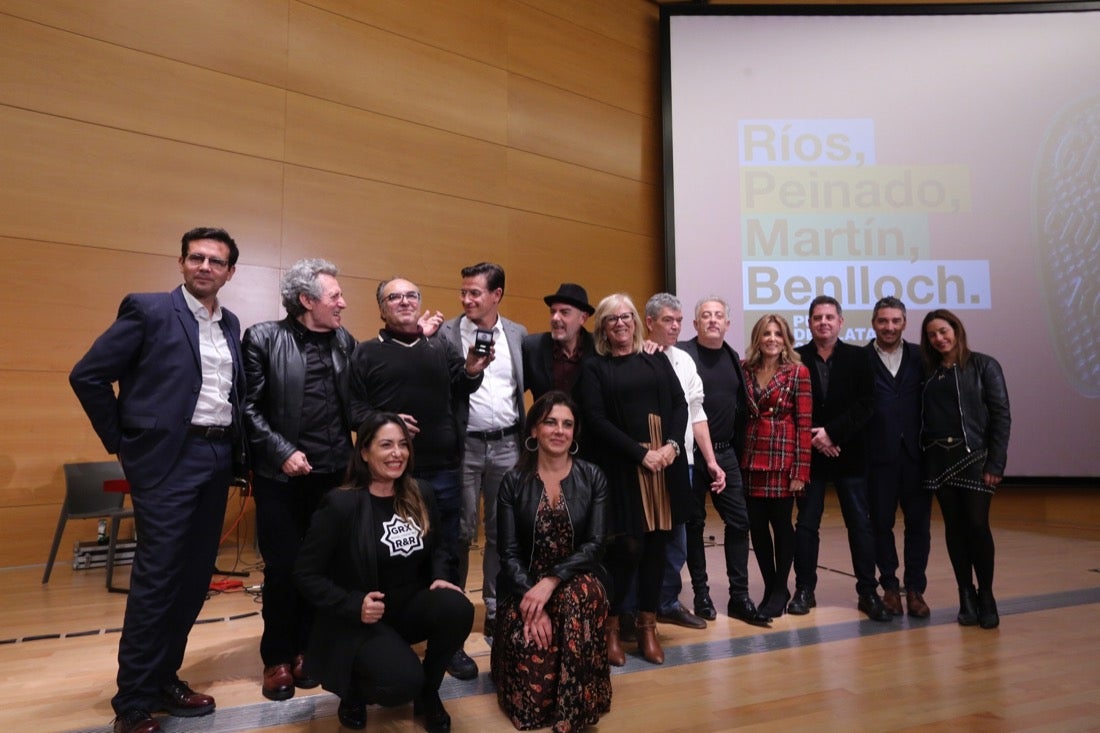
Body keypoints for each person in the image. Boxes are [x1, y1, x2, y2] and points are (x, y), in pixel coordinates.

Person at [69, 227, 248, 733]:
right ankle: (132, 702)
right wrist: (125, 442)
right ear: (181, 263)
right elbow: (87, 375)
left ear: (230, 272)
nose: (205, 267)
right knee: (158, 579)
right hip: (166, 461)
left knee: (194, 580)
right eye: (196, 258)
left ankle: (166, 677)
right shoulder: (148, 310)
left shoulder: (230, 323)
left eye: (216, 261)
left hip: (215, 460)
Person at [294, 413, 473, 732]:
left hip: (407, 607)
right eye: (386, 445)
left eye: (403, 445)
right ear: (364, 451)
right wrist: (352, 604)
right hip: (360, 619)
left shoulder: (420, 492)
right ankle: (353, 690)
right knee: (400, 684)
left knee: (457, 607)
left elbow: (439, 548)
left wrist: (440, 574)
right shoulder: (340, 505)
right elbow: (306, 574)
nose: (397, 453)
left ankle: (429, 693)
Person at [347, 276, 488, 680]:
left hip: (443, 467)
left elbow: (460, 387)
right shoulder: (366, 353)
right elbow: (353, 410)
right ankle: (385, 638)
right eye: (395, 297)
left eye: (411, 295)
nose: (405, 301)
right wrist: (385, 422)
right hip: (389, 475)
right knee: (387, 554)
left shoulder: (440, 346)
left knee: (448, 549)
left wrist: (474, 369)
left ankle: (452, 640)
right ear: (381, 308)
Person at [241, 259, 356, 701]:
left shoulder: (345, 341)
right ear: (307, 301)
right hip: (280, 477)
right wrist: (282, 450)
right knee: (284, 568)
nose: (343, 303)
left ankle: (309, 649)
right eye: (335, 296)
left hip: (333, 476)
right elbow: (248, 409)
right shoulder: (264, 338)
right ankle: (277, 658)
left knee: (322, 568)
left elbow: (357, 404)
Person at [577, 293, 690, 666]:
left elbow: (679, 404)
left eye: (626, 317)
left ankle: (647, 626)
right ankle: (610, 629)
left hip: (665, 464)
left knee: (658, 548)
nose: (621, 323)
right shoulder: (595, 368)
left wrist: (672, 446)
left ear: (636, 322)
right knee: (625, 550)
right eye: (612, 319)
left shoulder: (655, 359)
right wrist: (641, 454)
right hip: (624, 467)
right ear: (603, 329)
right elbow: (595, 420)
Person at [492, 391, 612, 732]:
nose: (559, 431)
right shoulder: (512, 482)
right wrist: (533, 601)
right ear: (534, 431)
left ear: (574, 434)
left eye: (567, 424)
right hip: (524, 584)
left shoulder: (593, 476)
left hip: (578, 576)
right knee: (530, 692)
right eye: (550, 422)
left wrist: (552, 581)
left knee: (577, 599)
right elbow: (509, 554)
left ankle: (572, 715)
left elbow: (596, 544)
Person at [438, 263, 527, 666]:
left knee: (501, 532)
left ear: (497, 295)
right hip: (463, 448)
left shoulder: (518, 335)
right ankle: (454, 617)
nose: (467, 300)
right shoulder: (444, 334)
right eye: (464, 292)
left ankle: (494, 610)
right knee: (460, 532)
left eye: (475, 293)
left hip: (507, 444)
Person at [790, 295, 891, 622]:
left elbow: (867, 404)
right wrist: (816, 439)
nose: (823, 322)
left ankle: (867, 591)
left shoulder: (860, 357)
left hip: (849, 453)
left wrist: (832, 434)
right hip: (809, 456)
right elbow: (790, 409)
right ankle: (805, 589)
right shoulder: (796, 358)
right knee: (806, 525)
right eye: (817, 317)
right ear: (808, 322)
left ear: (841, 322)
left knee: (860, 525)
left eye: (830, 317)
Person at [678, 296, 771, 627]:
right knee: (693, 524)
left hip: (725, 453)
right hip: (690, 455)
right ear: (695, 323)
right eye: (706, 315)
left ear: (728, 324)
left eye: (719, 315)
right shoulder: (681, 355)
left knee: (739, 521)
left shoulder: (736, 360)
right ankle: (701, 594)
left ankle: (739, 597)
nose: (713, 320)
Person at [920, 309, 1011, 629]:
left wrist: (996, 462)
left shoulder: (984, 365)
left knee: (976, 525)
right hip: (938, 459)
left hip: (974, 457)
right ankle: (966, 595)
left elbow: (1001, 416)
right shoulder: (928, 371)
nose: (939, 338)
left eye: (943, 331)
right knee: (954, 529)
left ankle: (986, 595)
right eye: (932, 335)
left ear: (956, 330)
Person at [641, 293, 724, 632]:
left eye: (678, 320)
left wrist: (711, 461)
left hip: (683, 463)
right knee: (643, 537)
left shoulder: (686, 361)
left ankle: (666, 602)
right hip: (644, 462)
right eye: (667, 320)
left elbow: (696, 414)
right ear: (650, 323)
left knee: (677, 536)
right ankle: (636, 607)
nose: (675, 326)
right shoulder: (636, 357)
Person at [740, 314, 812, 618]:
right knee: (756, 527)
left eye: (778, 334)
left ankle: (781, 587)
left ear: (786, 339)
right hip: (751, 454)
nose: (772, 339)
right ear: (758, 338)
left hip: (783, 457)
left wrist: (801, 471)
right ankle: (771, 587)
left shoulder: (798, 372)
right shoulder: (745, 368)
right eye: (766, 333)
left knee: (781, 526)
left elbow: (805, 425)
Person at [865, 297, 931, 618]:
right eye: (883, 321)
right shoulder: (861, 359)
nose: (889, 327)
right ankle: (890, 587)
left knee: (918, 526)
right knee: (881, 524)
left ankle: (915, 589)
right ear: (873, 323)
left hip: (917, 458)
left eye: (895, 321)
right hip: (877, 460)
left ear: (904, 322)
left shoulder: (923, 357)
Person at [522, 283, 597, 401]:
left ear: (583, 318)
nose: (555, 318)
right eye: (553, 312)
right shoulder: (533, 348)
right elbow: (511, 390)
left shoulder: (599, 349)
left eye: (564, 312)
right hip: (544, 418)